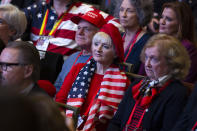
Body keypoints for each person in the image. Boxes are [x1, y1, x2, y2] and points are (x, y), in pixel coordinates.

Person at [108, 34, 190, 131]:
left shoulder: (177, 93)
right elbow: (116, 122)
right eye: (146, 57)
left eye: (154, 59)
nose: (147, 64)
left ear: (171, 63)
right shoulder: (137, 85)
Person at [56, 23, 130, 131]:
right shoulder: (78, 68)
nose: (98, 49)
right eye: (96, 44)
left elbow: (118, 120)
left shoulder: (122, 82)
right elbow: (60, 101)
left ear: (115, 53)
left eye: (105, 46)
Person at [22, 0, 122, 56]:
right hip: (34, 64)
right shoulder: (38, 8)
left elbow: (118, 25)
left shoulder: (85, 10)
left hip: (63, 67)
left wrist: (95, 38)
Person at [54, 10, 106, 92]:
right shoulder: (72, 57)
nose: (80, 32)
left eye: (87, 29)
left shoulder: (101, 63)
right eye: (78, 28)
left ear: (99, 34)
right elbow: (56, 88)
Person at [159, 1, 197, 83]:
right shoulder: (156, 42)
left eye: (168, 19)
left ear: (181, 24)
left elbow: (184, 84)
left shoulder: (188, 48)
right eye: (162, 17)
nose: (162, 22)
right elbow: (143, 74)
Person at [116, 0, 153, 74]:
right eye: (121, 10)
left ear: (141, 14)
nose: (123, 15)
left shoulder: (148, 42)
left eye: (129, 11)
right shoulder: (118, 36)